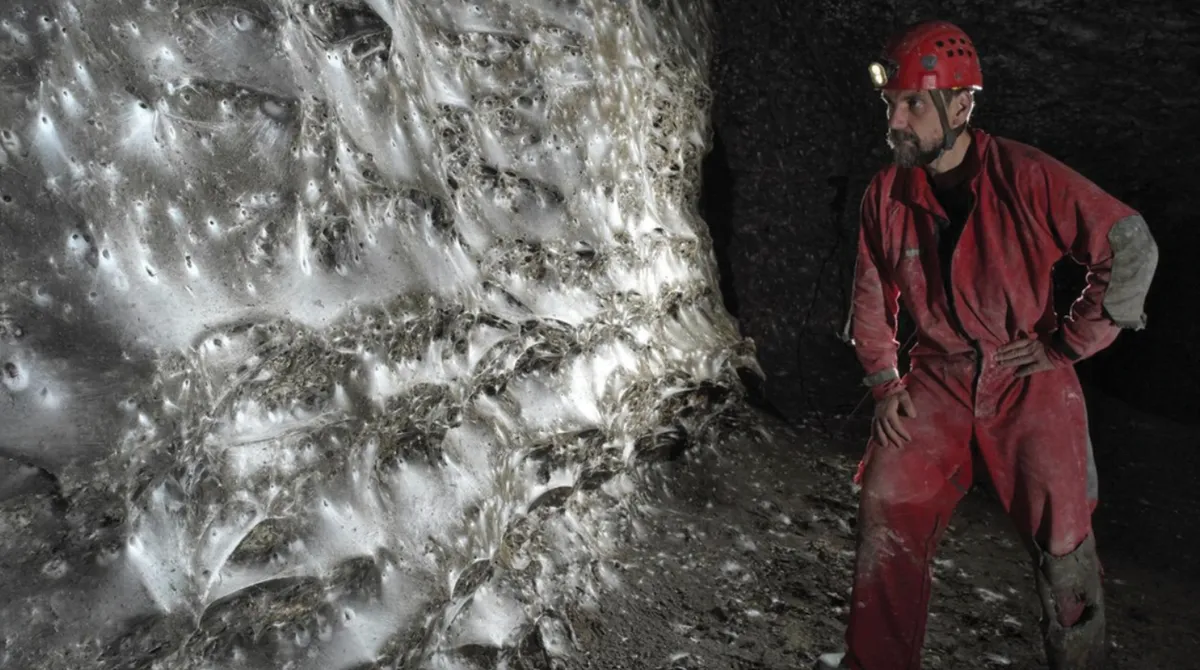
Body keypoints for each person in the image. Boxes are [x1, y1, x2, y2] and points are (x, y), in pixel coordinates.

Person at [817, 20, 1160, 670]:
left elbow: (1127, 242)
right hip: (937, 376)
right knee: (888, 501)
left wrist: (1069, 344)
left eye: (913, 104)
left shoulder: (1024, 175)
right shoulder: (887, 193)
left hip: (1026, 374)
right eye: (891, 104)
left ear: (961, 107)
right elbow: (871, 295)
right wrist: (884, 383)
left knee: (1064, 544)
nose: (896, 121)